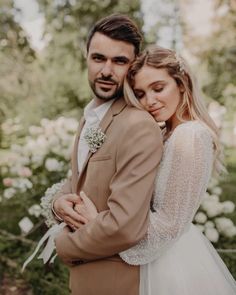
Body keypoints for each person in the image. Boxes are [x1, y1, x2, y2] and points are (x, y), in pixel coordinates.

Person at [75, 45, 236, 295]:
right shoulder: (165, 133)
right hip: (151, 254)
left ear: (181, 84)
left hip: (169, 262)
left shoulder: (190, 136)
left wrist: (99, 224)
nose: (149, 101)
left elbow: (169, 224)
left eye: (158, 88)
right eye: (140, 94)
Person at [50, 14, 163, 295]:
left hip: (116, 281)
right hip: (85, 281)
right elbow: (81, 181)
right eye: (98, 58)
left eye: (120, 61)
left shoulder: (137, 125)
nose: (106, 71)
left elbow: (125, 227)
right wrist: (57, 203)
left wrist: (61, 245)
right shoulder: (92, 116)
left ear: (134, 66)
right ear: (87, 58)